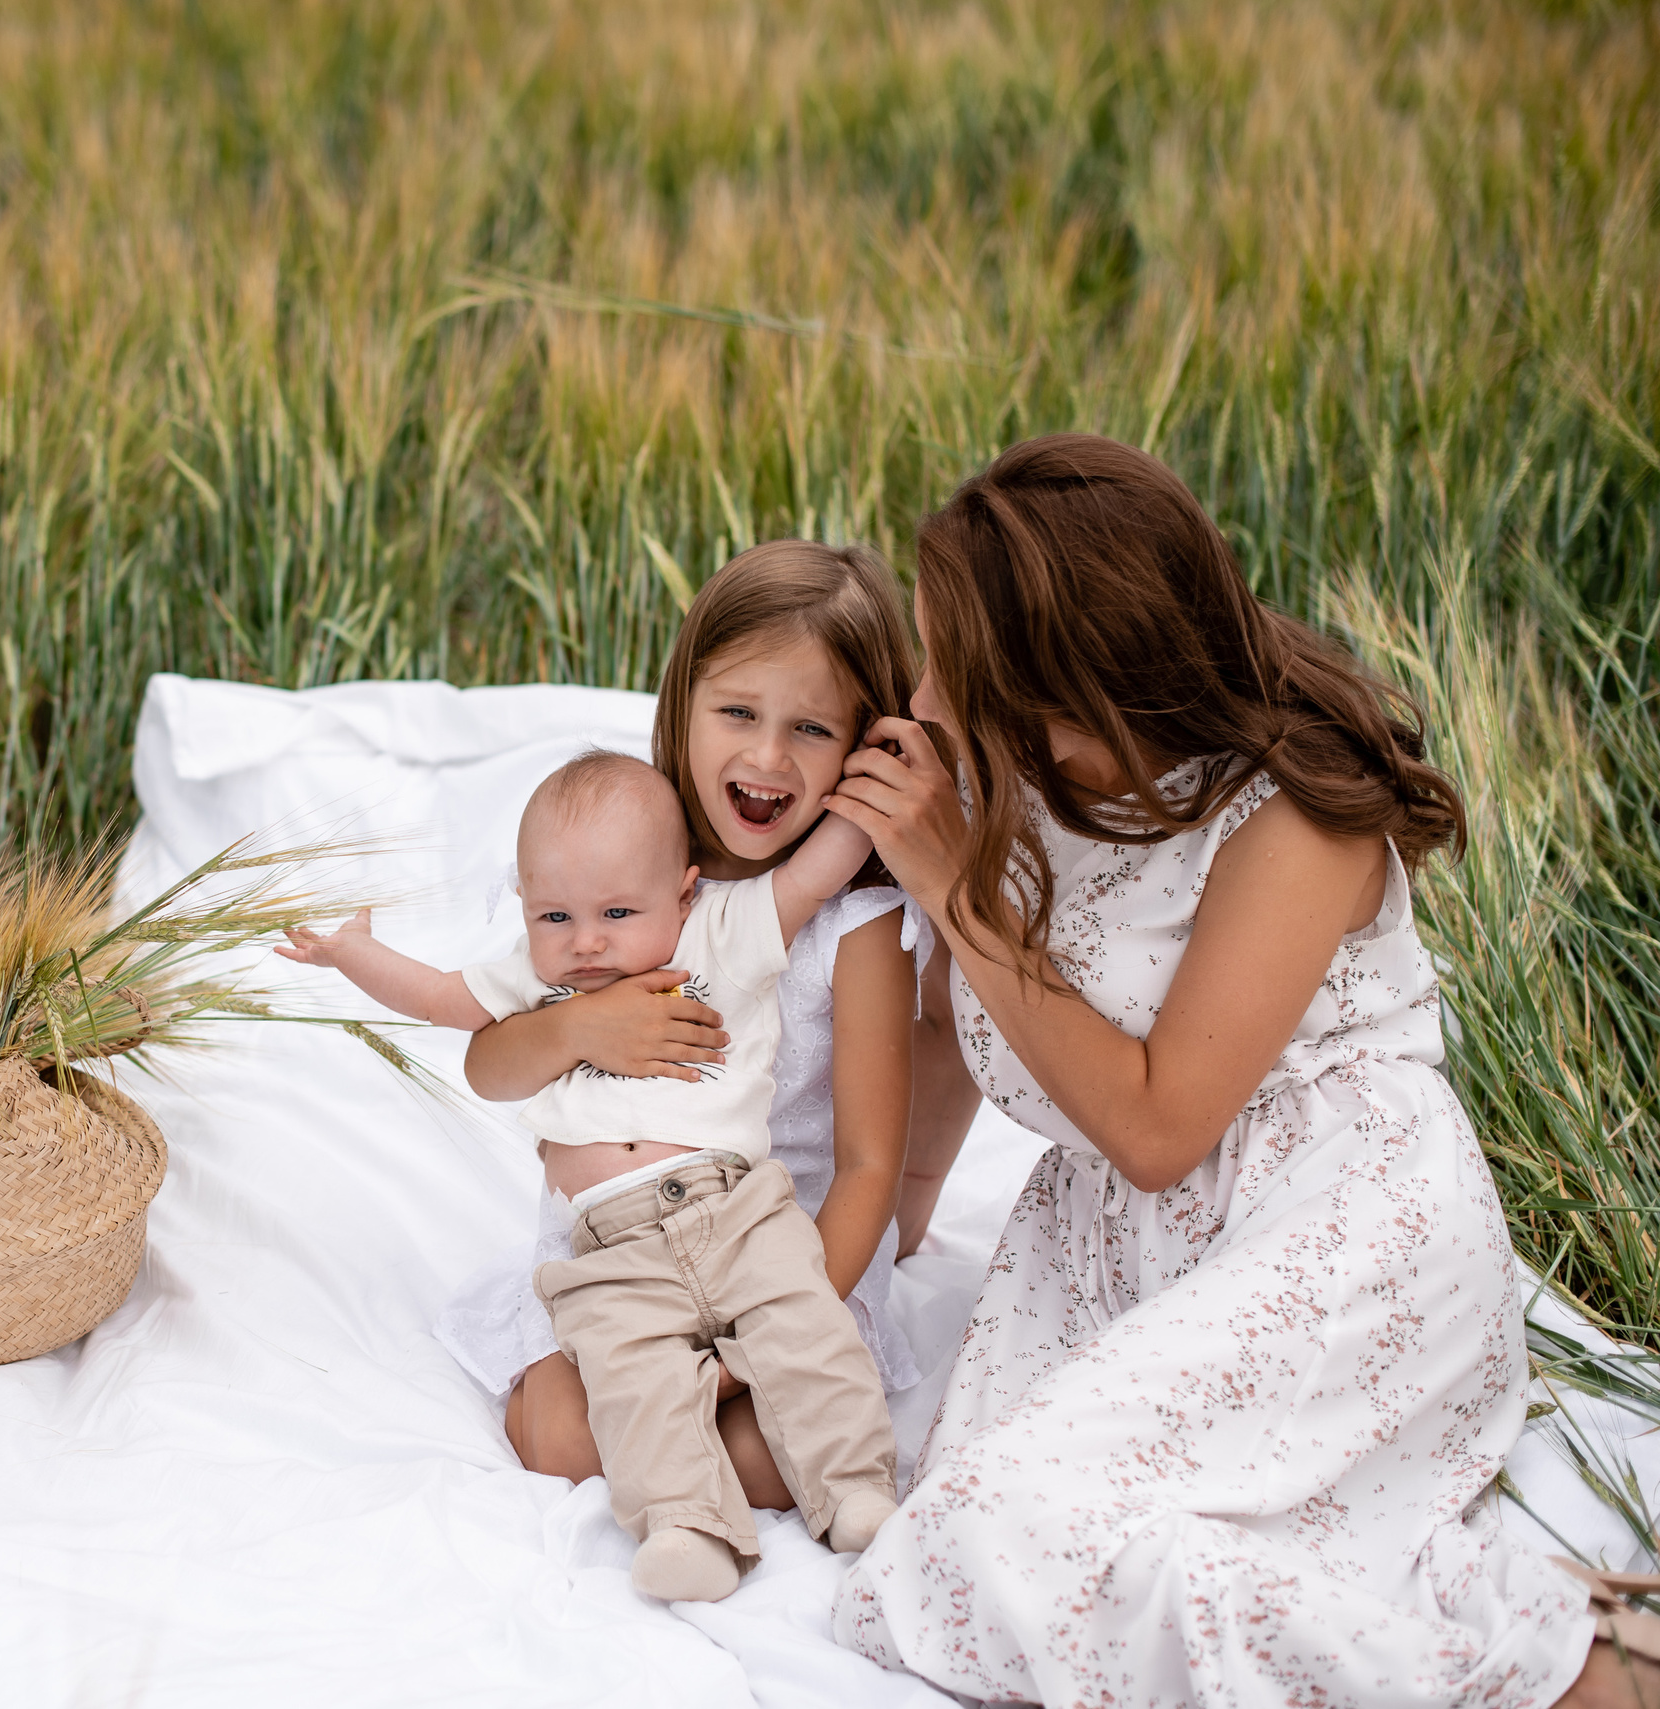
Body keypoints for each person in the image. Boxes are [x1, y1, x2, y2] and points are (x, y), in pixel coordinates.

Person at [816, 432, 1656, 1706]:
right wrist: (889, 1244)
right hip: (1110, 1251)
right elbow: (946, 1028)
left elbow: (1161, 1126)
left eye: (956, 665)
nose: (924, 698)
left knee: (1002, 1539)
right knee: (946, 1552)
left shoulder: (1296, 810)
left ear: (1078, 685)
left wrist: (954, 887)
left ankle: (1558, 1670)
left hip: (1336, 1223)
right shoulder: (1016, 766)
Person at [433, 541, 975, 1518]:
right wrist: (580, 1025)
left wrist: (762, 1335)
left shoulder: (852, 928)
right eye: (736, 711)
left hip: (785, 1268)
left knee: (772, 1458)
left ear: (859, 747)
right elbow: (490, 1064)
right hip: (614, 1267)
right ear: (680, 704)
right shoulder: (619, 880)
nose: (768, 758)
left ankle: (693, 1448)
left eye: (812, 727)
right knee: (562, 1434)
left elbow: (864, 1167)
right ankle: (652, 1434)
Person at [283, 745, 900, 1601]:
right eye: (556, 919)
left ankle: (858, 1488)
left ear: (683, 894)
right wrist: (353, 953)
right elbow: (439, 998)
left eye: (615, 911)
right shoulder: (539, 985)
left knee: (803, 1332)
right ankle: (687, 1525)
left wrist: (882, 780)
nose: (587, 942)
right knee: (634, 1383)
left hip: (737, 1208)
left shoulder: (719, 933)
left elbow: (811, 874)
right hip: (609, 1247)